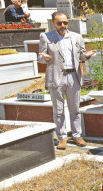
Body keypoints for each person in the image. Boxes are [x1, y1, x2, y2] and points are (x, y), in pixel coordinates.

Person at [38, 12, 97, 150]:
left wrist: (87, 55)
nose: (63, 25)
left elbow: (81, 54)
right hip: (56, 77)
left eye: (65, 22)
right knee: (58, 110)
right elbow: (40, 57)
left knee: (75, 108)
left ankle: (77, 135)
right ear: (53, 23)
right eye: (59, 23)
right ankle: (62, 137)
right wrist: (45, 57)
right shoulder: (46, 37)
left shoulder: (76, 36)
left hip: (73, 76)